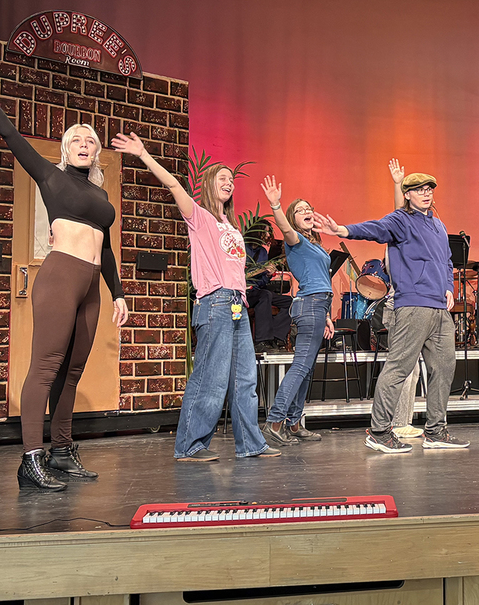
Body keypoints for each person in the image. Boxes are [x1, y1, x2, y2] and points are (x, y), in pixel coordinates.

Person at [0, 71, 129, 491]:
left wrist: (117, 293)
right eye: (77, 141)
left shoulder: (101, 197)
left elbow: (105, 250)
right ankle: (30, 459)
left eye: (90, 142)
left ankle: (61, 451)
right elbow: (10, 135)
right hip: (61, 276)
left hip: (91, 287)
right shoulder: (51, 177)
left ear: (96, 153)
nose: (85, 146)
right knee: (45, 368)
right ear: (65, 150)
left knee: (73, 371)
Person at [112, 132, 279, 461]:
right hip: (215, 303)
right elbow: (174, 186)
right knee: (210, 380)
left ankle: (250, 444)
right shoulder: (200, 217)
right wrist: (144, 155)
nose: (229, 182)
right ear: (209, 182)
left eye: (232, 178)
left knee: (244, 380)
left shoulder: (230, 226)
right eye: (223, 177)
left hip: (237, 307)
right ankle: (190, 446)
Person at [315, 170, 467, 452]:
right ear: (408, 194)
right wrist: (343, 230)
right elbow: (375, 228)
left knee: (445, 367)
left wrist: (449, 287)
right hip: (412, 305)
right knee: (399, 368)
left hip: (439, 308)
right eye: (419, 189)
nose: (426, 193)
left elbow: (447, 261)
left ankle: (435, 431)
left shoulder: (438, 225)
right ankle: (379, 431)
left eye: (429, 189)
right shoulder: (401, 220)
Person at [258, 177, 335, 446]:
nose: (307, 212)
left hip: (318, 305)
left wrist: (327, 316)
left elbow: (321, 279)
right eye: (301, 209)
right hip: (309, 304)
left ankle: (293, 423)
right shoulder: (296, 240)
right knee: (301, 365)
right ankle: (275, 422)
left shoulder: (315, 245)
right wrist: (276, 204)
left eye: (309, 208)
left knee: (307, 368)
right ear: (293, 218)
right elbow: (283, 226)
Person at [245, 223, 292, 352]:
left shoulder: (262, 252)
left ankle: (277, 337)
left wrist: (268, 274)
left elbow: (262, 283)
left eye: (268, 232)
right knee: (265, 295)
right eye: (264, 232)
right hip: (243, 293)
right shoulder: (242, 248)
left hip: (257, 291)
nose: (267, 235)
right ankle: (261, 341)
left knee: (290, 302)